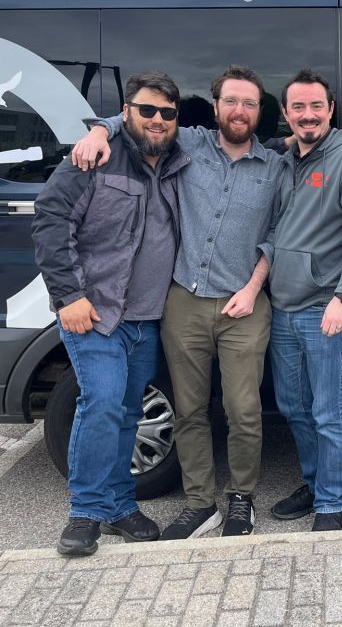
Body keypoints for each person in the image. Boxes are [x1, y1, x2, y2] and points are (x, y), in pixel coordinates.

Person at [71, 65, 282, 539]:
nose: (240, 111)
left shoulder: (275, 167)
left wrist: (252, 289)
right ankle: (199, 504)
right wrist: (101, 129)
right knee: (188, 410)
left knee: (243, 409)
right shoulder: (190, 143)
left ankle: (241, 499)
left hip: (244, 305)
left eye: (249, 103)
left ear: (260, 110)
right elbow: (144, 118)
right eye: (231, 101)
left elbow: (277, 236)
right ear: (215, 107)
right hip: (182, 300)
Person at [32, 72, 186, 555]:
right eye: (147, 110)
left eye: (167, 113)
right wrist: (68, 295)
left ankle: (120, 507)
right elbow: (50, 219)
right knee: (99, 405)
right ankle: (85, 513)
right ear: (126, 112)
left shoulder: (180, 160)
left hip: (147, 319)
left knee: (125, 413)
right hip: (96, 314)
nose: (157, 120)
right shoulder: (94, 158)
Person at [266, 70, 342, 531]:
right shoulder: (283, 158)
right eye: (298, 107)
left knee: (328, 411)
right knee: (294, 408)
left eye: (317, 106)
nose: (308, 115)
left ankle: (331, 503)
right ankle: (315, 483)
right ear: (286, 114)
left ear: (331, 110)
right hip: (283, 308)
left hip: (327, 309)